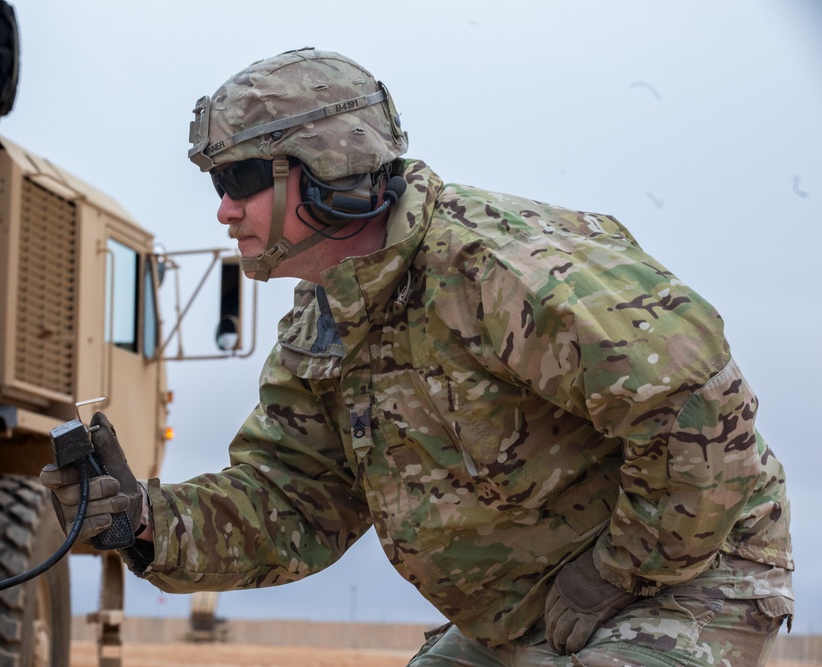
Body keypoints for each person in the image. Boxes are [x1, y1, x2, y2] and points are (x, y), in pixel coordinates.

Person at [41, 48, 794, 665]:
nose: (223, 208)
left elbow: (702, 414)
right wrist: (143, 519)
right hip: (532, 600)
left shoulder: (503, 270)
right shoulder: (327, 323)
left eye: (239, 178)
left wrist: (615, 573)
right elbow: (295, 500)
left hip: (687, 573)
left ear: (326, 166)